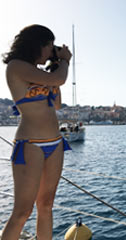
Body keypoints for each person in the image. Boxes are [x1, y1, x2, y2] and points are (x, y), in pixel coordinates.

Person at [1, 24, 72, 240]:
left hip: (55, 143)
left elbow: (57, 103)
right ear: (38, 44)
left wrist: (57, 64)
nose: (52, 51)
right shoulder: (16, 67)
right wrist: (66, 61)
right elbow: (59, 79)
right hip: (30, 144)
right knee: (22, 212)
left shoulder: (42, 74)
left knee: (46, 205)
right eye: (50, 46)